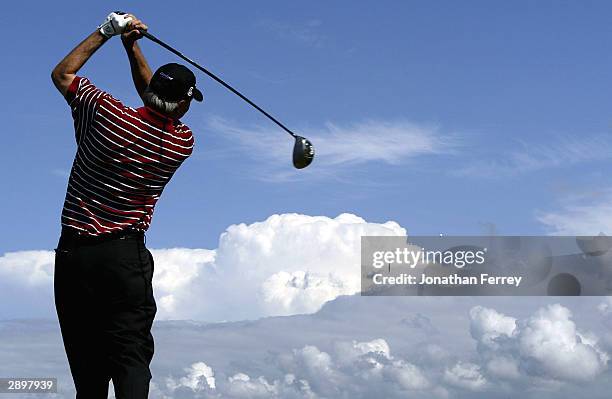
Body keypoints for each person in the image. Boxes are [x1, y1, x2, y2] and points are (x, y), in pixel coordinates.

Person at [51, 12, 202, 398]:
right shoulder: (180, 142)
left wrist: (110, 32)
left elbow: (63, 74)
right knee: (130, 360)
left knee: (87, 368)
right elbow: (155, 103)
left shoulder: (103, 114)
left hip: (73, 259)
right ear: (183, 107)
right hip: (123, 259)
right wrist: (131, 46)